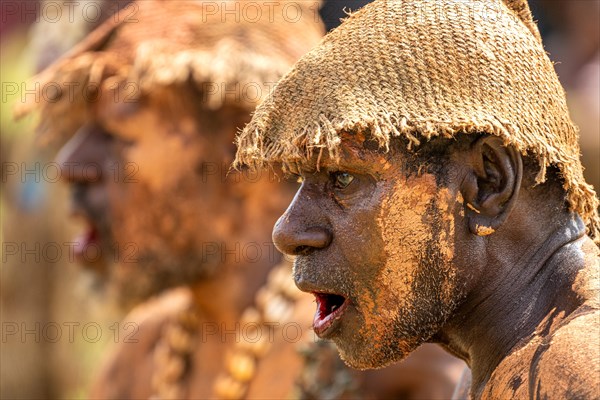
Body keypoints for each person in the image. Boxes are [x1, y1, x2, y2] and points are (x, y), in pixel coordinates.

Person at [16, 0, 464, 398]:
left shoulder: (381, 350)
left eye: (116, 132)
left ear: (241, 148)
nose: (71, 164)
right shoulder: (140, 356)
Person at [234, 0, 600, 398]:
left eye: (343, 178)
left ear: (487, 181)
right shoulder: (509, 355)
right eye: (301, 180)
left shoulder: (573, 371)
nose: (288, 231)